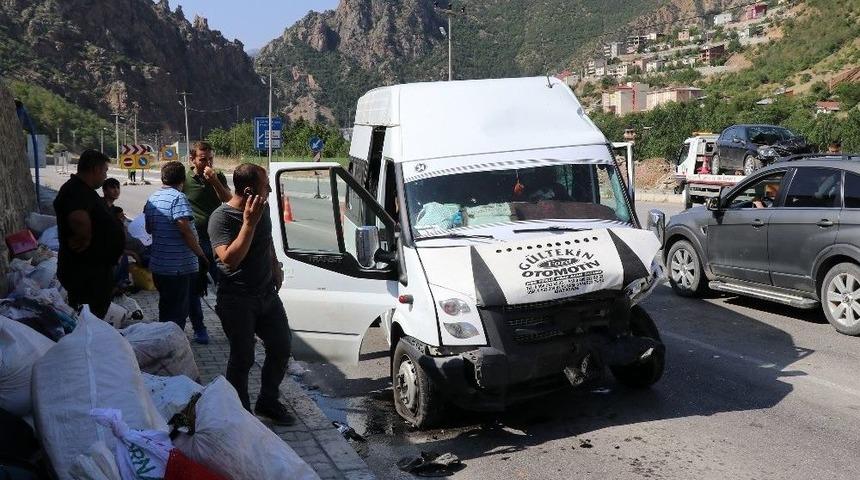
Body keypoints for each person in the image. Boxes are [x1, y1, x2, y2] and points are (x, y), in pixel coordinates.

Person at [209, 163, 294, 426]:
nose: (269, 189)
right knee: (243, 357)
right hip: (236, 300)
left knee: (281, 346)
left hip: (266, 294)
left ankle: (268, 402)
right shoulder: (221, 218)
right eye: (265, 185)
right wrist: (248, 223)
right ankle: (240, 413)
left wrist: (275, 264)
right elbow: (229, 259)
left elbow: (266, 239)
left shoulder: (262, 208)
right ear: (249, 190)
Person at [53, 150, 125, 319]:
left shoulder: (83, 190)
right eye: (105, 171)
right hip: (86, 272)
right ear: (95, 169)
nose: (105, 175)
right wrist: (85, 237)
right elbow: (78, 218)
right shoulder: (76, 190)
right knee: (89, 317)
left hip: (95, 270)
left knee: (94, 314)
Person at [144, 161, 208, 329]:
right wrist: (201, 255)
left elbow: (149, 228)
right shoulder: (178, 197)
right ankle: (173, 348)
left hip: (159, 266)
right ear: (183, 180)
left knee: (166, 309)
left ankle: (164, 342)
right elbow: (184, 230)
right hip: (178, 268)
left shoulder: (153, 198)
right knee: (178, 314)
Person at [182, 141, 232, 344]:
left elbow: (228, 200)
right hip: (196, 240)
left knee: (225, 285)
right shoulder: (184, 179)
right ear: (192, 160)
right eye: (203, 159)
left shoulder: (217, 176)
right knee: (196, 287)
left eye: (211, 158)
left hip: (217, 239)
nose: (208, 162)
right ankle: (199, 328)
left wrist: (215, 182)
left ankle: (231, 327)